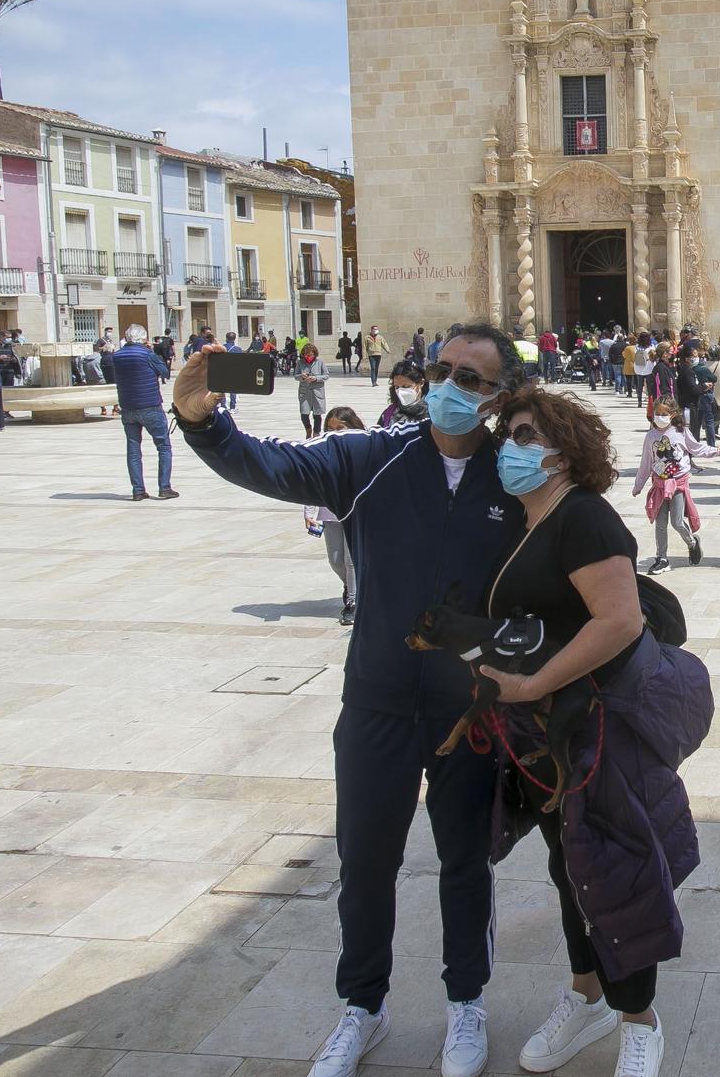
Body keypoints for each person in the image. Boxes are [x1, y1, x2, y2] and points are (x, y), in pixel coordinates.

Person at [173, 322, 523, 1077]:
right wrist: (202, 419)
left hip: (471, 713)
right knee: (365, 862)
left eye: (471, 379)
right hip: (377, 703)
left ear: (498, 398)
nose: (448, 388)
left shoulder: (515, 477)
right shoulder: (372, 455)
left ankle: (467, 1002)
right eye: (442, 370)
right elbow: (263, 464)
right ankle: (362, 1006)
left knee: (466, 861)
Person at [479, 389, 713, 1077]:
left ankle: (640, 1021)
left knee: (613, 867)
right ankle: (587, 996)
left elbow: (619, 621)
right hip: (545, 737)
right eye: (506, 436)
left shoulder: (584, 519)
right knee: (566, 864)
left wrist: (533, 683)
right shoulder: (522, 519)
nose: (509, 448)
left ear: (561, 451)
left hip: (596, 730)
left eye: (523, 435)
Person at [634, 397, 717, 573]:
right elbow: (646, 462)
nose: (660, 417)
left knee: (677, 522)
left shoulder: (681, 432)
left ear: (673, 414)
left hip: (678, 483)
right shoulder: (651, 436)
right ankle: (662, 558)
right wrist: (638, 484)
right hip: (659, 484)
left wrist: (717, 450)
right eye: (657, 413)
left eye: (664, 414)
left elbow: (697, 448)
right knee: (660, 522)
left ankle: (692, 542)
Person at [315, 406, 369, 625]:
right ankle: (350, 585)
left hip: (356, 513)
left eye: (340, 428)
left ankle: (354, 603)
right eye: (331, 428)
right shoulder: (321, 450)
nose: (335, 432)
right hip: (330, 513)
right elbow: (311, 481)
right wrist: (309, 511)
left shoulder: (363, 448)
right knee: (336, 560)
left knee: (351, 560)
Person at [113, 325, 177, 502]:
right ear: (144, 339)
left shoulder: (117, 356)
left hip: (128, 407)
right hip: (150, 406)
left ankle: (138, 490)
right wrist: (152, 351)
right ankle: (164, 488)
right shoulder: (148, 355)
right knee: (163, 446)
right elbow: (165, 372)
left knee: (133, 450)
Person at [379, 359, 429, 428]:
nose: (401, 391)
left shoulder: (433, 413)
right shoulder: (389, 413)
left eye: (406, 386)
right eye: (397, 387)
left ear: (421, 383)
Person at [298, 343, 330, 437]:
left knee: (317, 414)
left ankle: (316, 433)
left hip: (317, 391)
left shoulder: (320, 362)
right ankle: (308, 429)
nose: (308, 357)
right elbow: (295, 376)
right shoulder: (300, 363)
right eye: (306, 355)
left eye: (310, 355)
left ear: (314, 354)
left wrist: (316, 378)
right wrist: (302, 376)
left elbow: (326, 375)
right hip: (305, 392)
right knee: (304, 414)